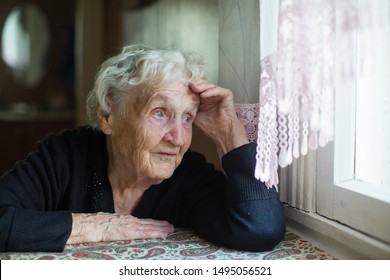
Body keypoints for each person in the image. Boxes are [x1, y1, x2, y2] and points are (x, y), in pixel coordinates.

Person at [0, 45, 285, 252]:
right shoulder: (65, 157)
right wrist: (93, 226)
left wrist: (229, 132)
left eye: (187, 117)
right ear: (108, 116)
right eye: (159, 113)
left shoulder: (187, 177)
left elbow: (260, 228)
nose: (176, 138)